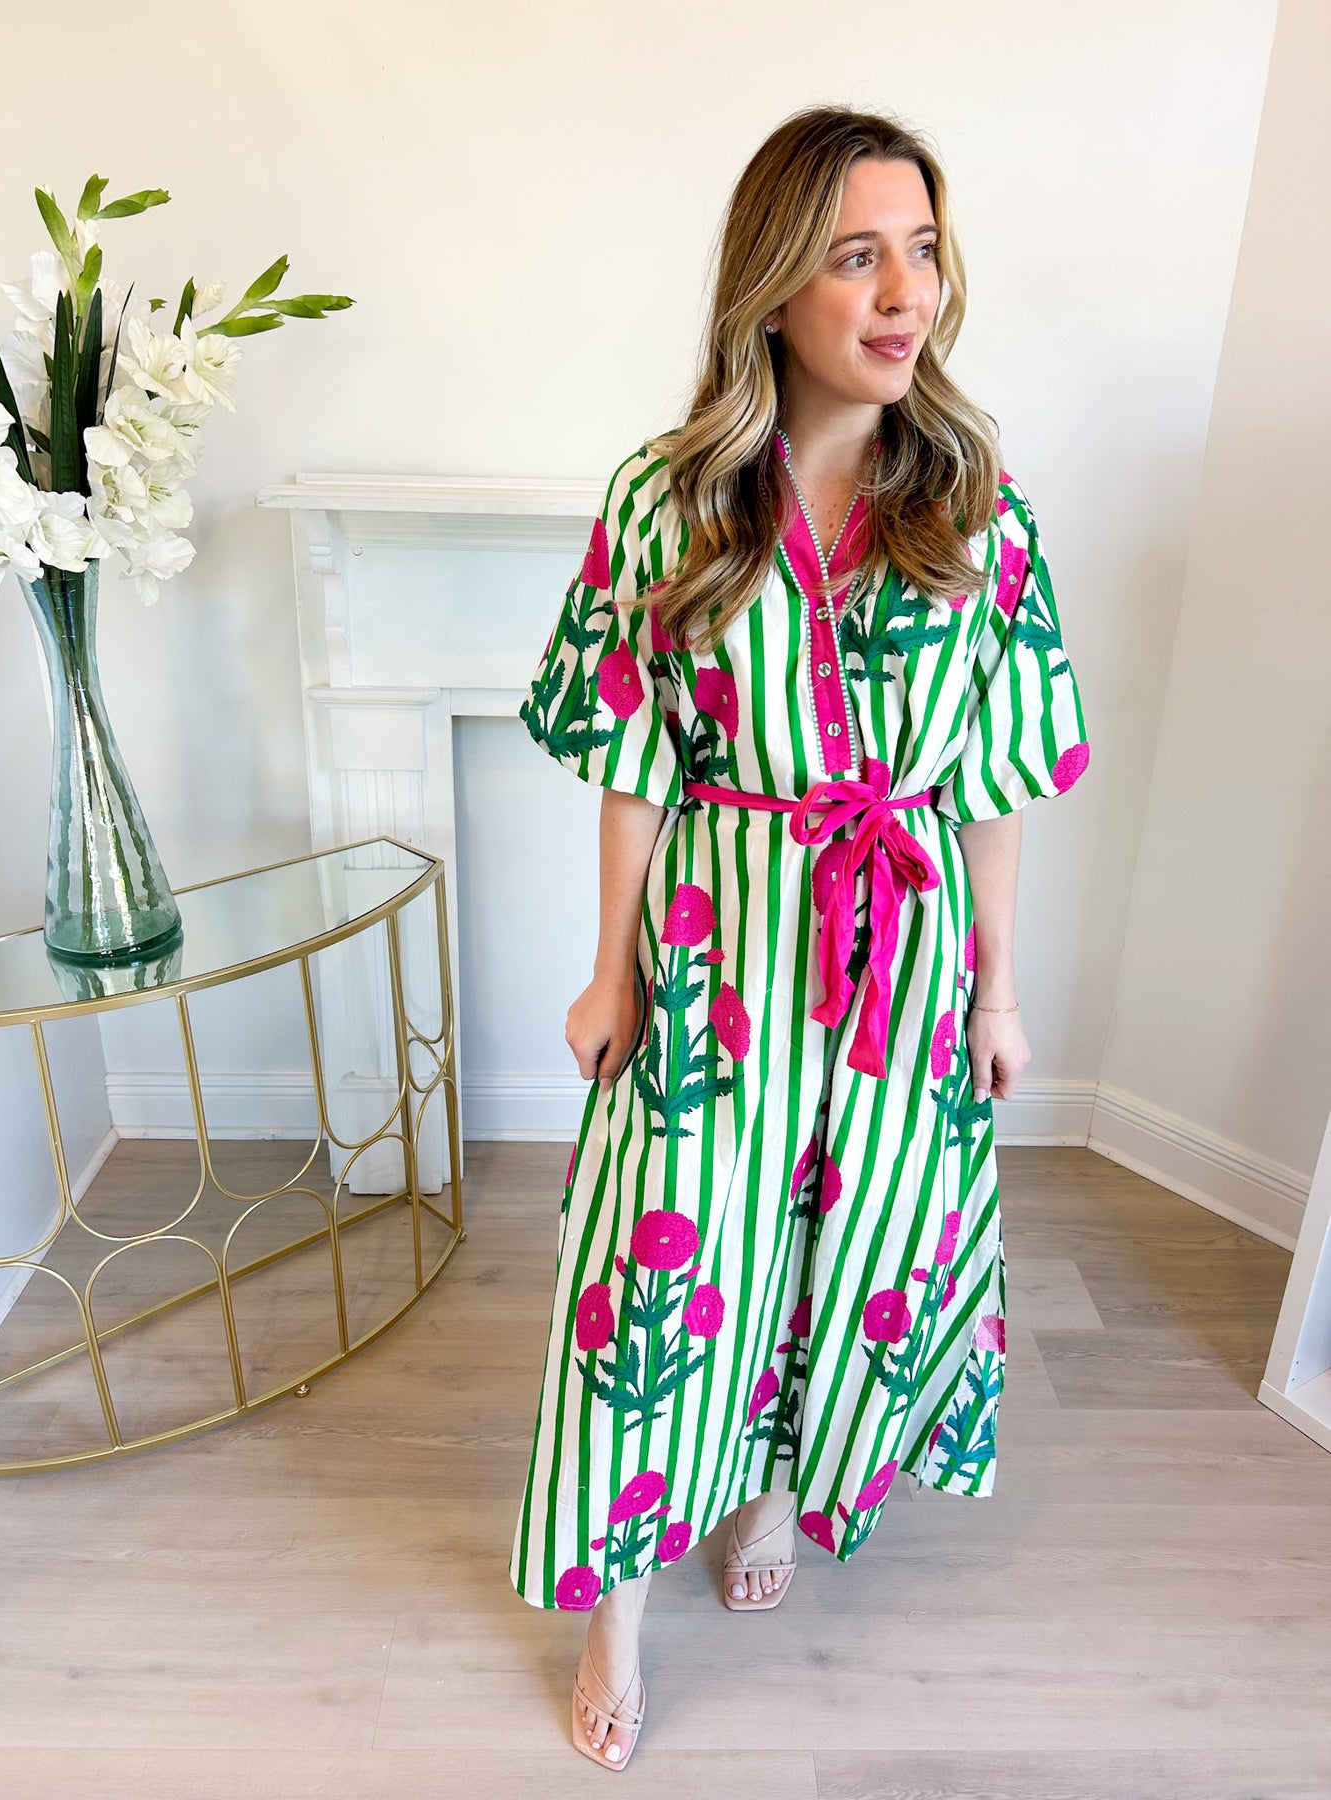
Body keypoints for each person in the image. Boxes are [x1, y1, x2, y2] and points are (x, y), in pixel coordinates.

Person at [510, 103, 1090, 1771]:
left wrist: (996, 988)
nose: (904, 294)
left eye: (922, 252)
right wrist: (609, 967)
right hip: (717, 933)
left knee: (852, 1253)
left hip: (900, 949)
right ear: (773, 285)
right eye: (856, 257)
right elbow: (630, 755)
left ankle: (771, 1491)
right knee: (661, 1273)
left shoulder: (979, 508)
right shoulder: (668, 495)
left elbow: (993, 776)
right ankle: (617, 1609)